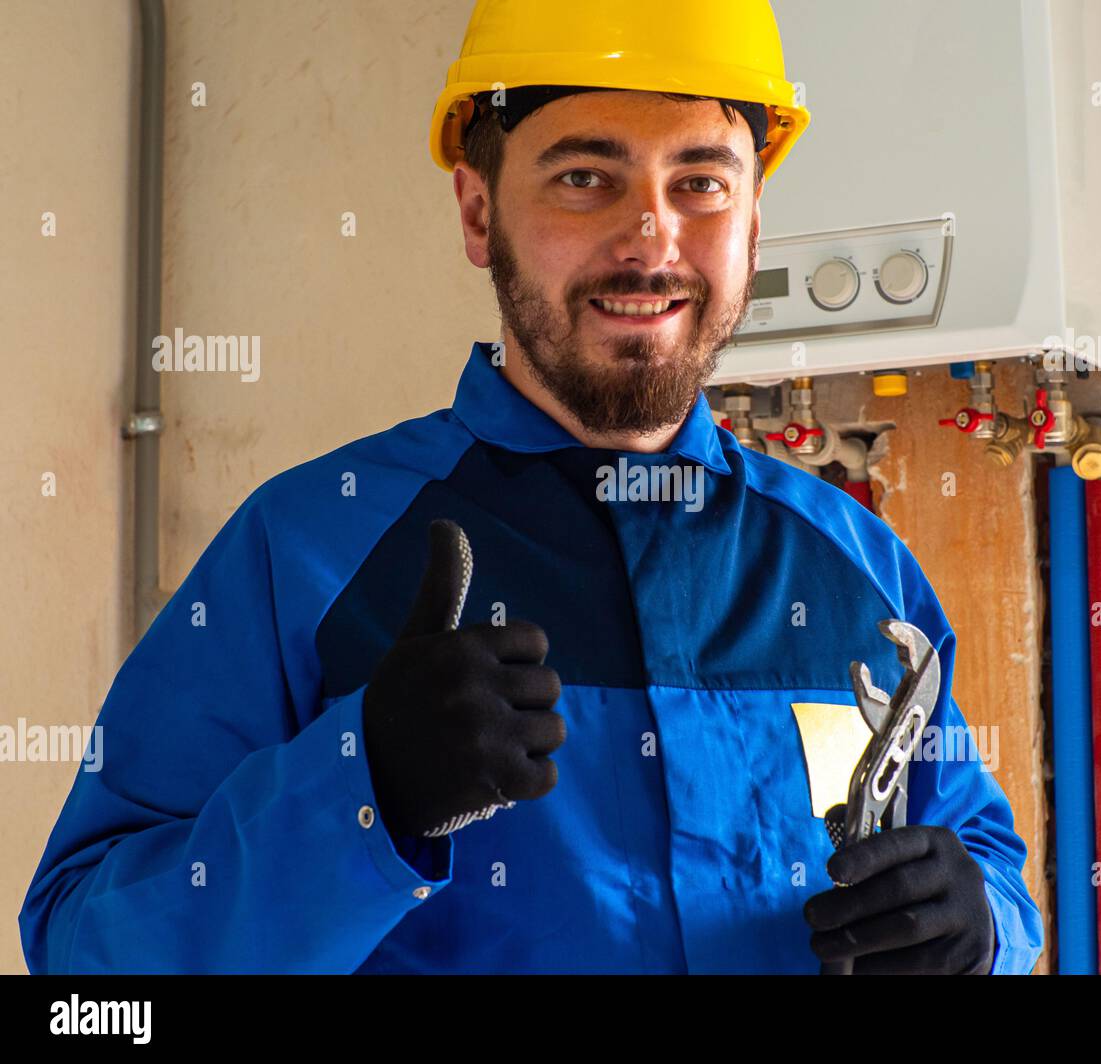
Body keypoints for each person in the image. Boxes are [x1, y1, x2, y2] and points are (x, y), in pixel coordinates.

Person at [19, 0, 1043, 974]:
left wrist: (978, 928)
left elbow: (982, 862)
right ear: (478, 212)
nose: (651, 239)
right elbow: (85, 963)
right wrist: (361, 790)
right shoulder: (308, 550)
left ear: (753, 224)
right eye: (586, 179)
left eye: (701, 183)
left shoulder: (857, 566)